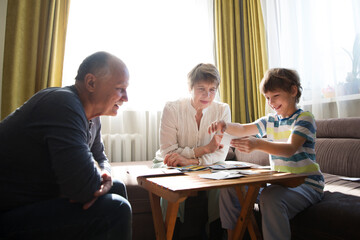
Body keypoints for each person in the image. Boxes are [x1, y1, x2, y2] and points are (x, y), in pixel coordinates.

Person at [0, 51, 132, 240]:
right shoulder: (63, 103)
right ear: (91, 83)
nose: (125, 98)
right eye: (120, 88)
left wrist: (106, 174)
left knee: (117, 187)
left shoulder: (93, 119)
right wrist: (86, 181)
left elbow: (101, 158)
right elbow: (83, 188)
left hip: (36, 201)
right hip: (9, 211)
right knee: (116, 209)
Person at [208, 68, 324, 240]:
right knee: (230, 189)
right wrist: (224, 125)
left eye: (275, 96)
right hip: (280, 184)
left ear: (293, 91)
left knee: (270, 198)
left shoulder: (305, 118)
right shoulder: (270, 120)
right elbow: (243, 128)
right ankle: (232, 235)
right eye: (267, 98)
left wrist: (258, 144)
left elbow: (289, 148)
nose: (271, 102)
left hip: (306, 184)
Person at [153, 63, 231, 239]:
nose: (207, 95)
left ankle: (217, 233)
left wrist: (192, 161)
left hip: (209, 164)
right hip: (170, 163)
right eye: (201, 89)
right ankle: (171, 234)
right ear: (190, 88)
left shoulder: (222, 110)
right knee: (171, 187)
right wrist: (203, 150)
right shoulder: (172, 108)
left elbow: (220, 153)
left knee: (222, 187)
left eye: (212, 89)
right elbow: (168, 152)